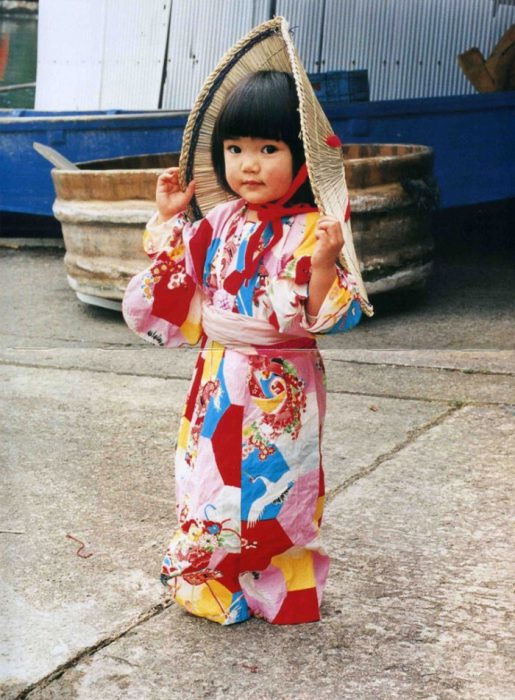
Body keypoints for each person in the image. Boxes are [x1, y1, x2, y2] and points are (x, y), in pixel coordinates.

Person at [123, 30, 372, 626]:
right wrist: (168, 220)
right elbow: (178, 278)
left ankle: (276, 578)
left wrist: (319, 266)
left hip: (279, 380)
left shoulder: (316, 228)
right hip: (217, 372)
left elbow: (323, 314)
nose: (248, 164)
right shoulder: (221, 219)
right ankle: (215, 575)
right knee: (207, 474)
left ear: (302, 157)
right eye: (234, 149)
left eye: (267, 148)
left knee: (274, 481)